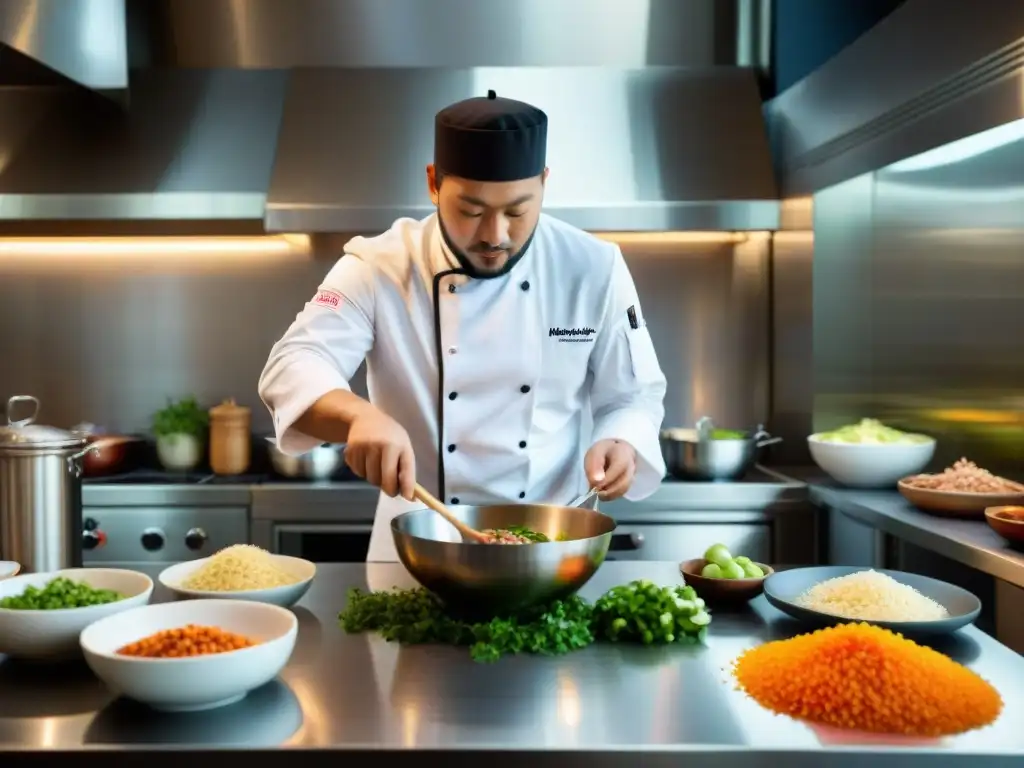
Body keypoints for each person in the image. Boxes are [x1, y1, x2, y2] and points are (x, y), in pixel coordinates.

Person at [259, 90, 668, 562]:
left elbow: (634, 395)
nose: (495, 234)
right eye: (471, 210)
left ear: (544, 183)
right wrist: (358, 416)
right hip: (415, 547)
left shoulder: (592, 267)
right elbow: (294, 362)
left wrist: (622, 439)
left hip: (549, 552)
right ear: (434, 183)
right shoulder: (380, 265)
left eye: (517, 210)